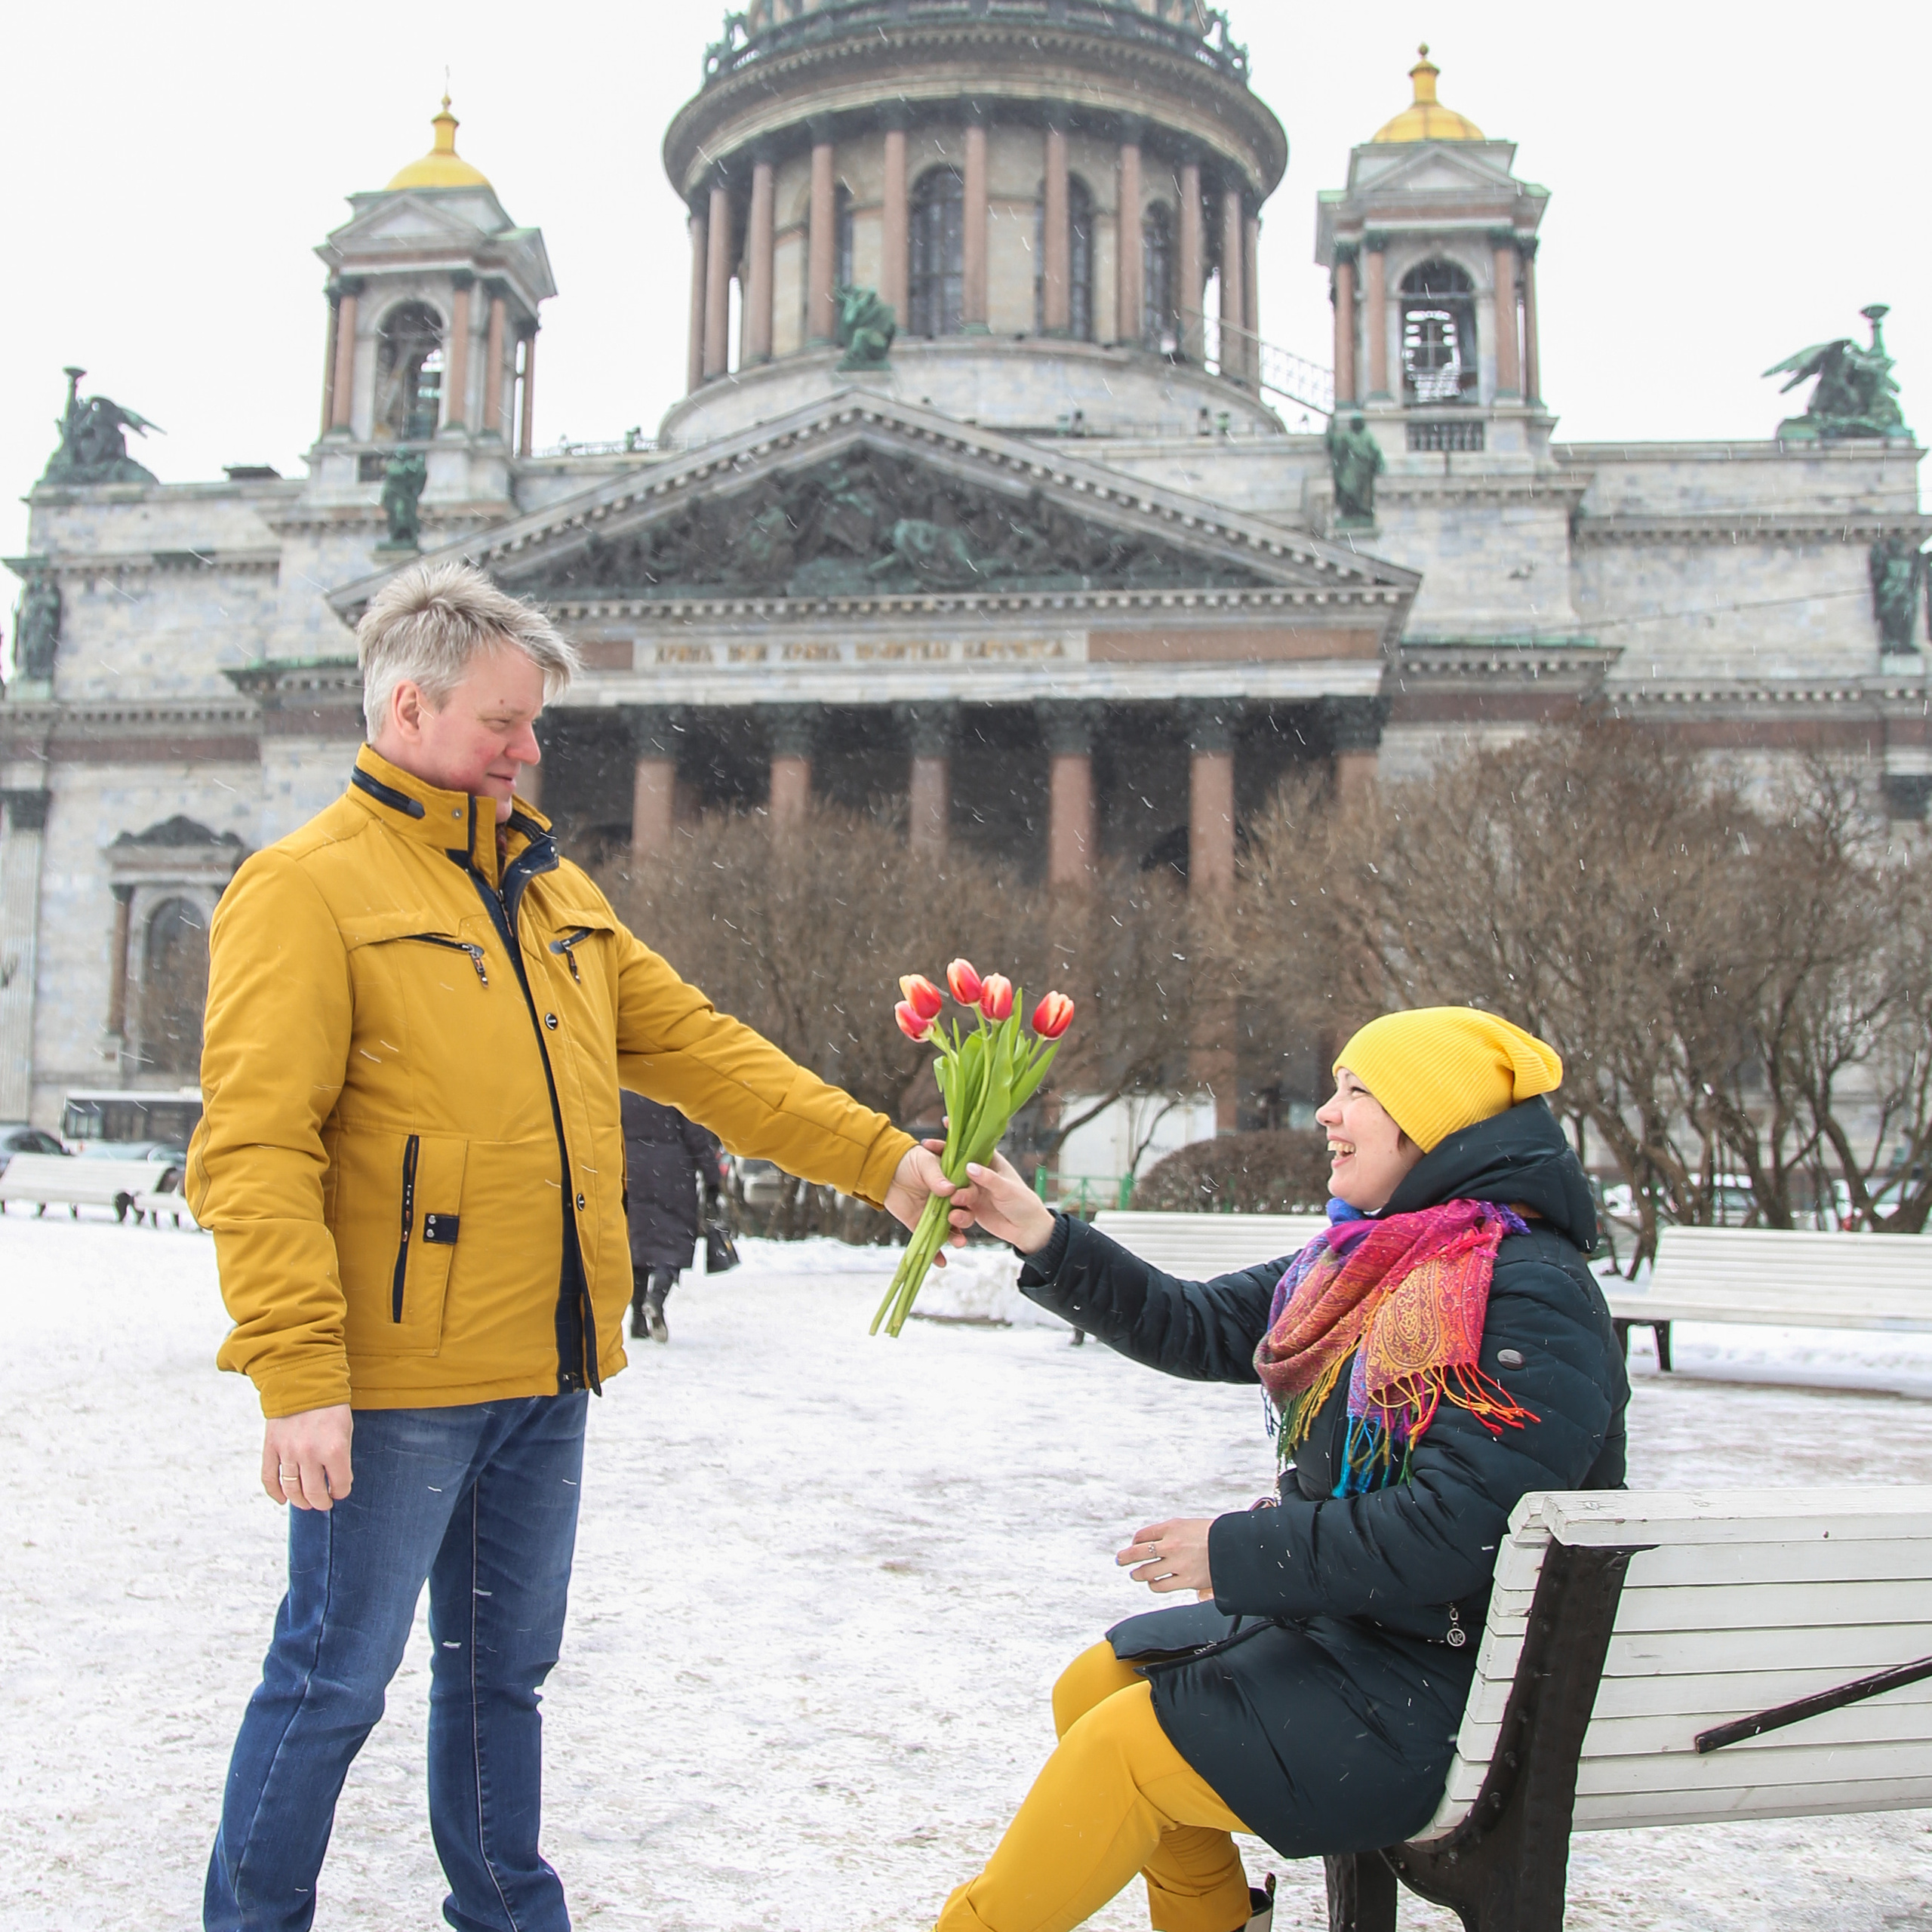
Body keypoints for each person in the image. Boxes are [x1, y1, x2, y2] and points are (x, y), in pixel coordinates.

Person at [186, 558, 952, 1932]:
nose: (531, 750)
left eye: (535, 725)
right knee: (329, 1685)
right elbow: (253, 1149)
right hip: (397, 1381)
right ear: (408, 708)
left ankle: (506, 1912)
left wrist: (883, 1161)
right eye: (504, 725)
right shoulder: (302, 889)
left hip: (546, 1370)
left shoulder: (556, 897)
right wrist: (297, 1371)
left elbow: (709, 1054)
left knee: (501, 1679)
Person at [937, 1008, 1629, 1932]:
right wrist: (1041, 1234)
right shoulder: (1369, 1261)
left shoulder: (1523, 1285)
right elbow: (1195, 1321)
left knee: (1122, 1748)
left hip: (1457, 1694)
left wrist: (1234, 1551)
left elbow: (1453, 1529)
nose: (1326, 1114)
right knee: (1093, 1688)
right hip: (1378, 1639)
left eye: (1357, 1092)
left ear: (1434, 1121)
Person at [621, 1090, 722, 1341]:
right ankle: (655, 1299)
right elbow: (696, 1137)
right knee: (672, 1242)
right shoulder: (671, 1083)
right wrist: (712, 1179)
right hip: (672, 1175)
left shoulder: (622, 1086)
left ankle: (637, 1320)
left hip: (632, 1171)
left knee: (639, 1245)